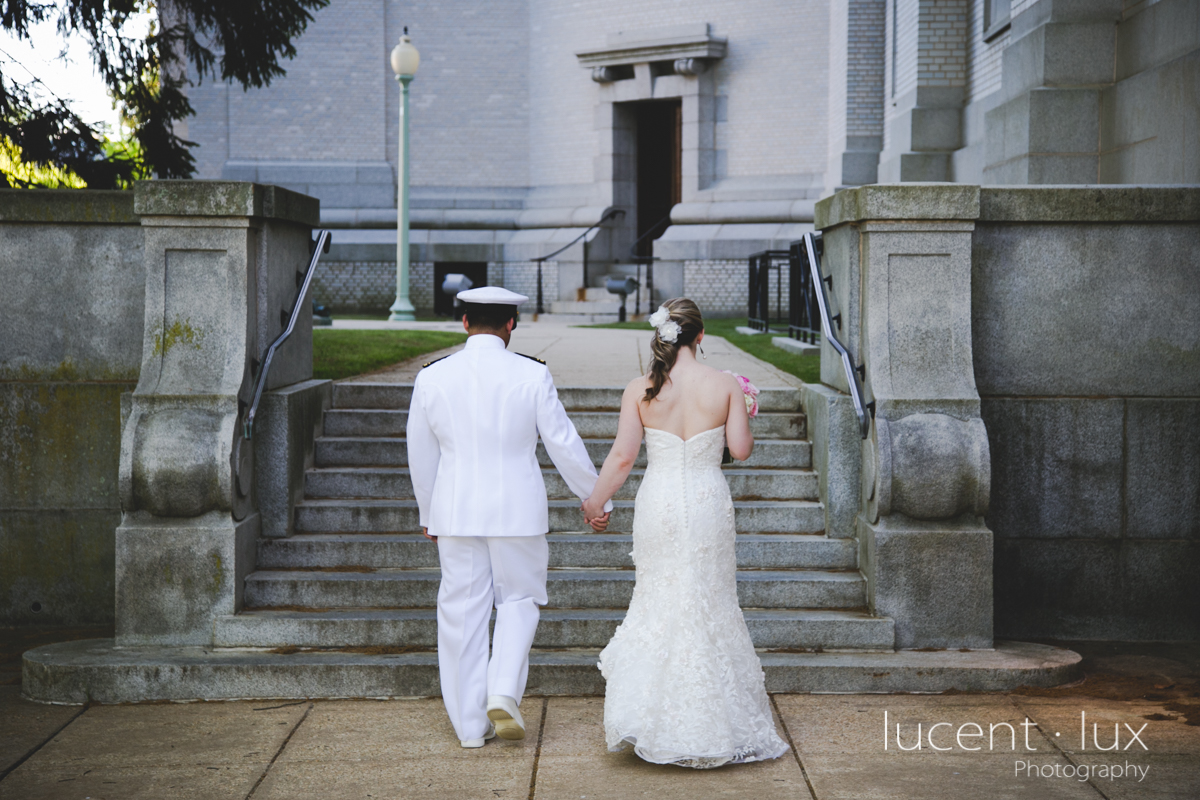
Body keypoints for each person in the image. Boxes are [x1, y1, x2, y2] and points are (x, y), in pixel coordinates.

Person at [582, 298, 790, 769]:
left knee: (657, 598)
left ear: (662, 338)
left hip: (659, 504)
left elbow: (621, 459)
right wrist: (744, 412)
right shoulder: (726, 386)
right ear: (700, 337)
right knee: (709, 599)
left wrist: (595, 503)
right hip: (706, 503)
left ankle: (651, 719)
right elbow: (740, 450)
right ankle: (714, 723)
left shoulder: (641, 388)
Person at [406, 286, 612, 748]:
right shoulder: (531, 374)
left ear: (464, 323)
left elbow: (421, 454)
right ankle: (502, 690)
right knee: (519, 601)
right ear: (511, 324)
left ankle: (469, 728)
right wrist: (595, 498)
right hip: (518, 511)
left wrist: (427, 512)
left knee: (461, 613)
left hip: (456, 511)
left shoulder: (432, 377)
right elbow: (563, 443)